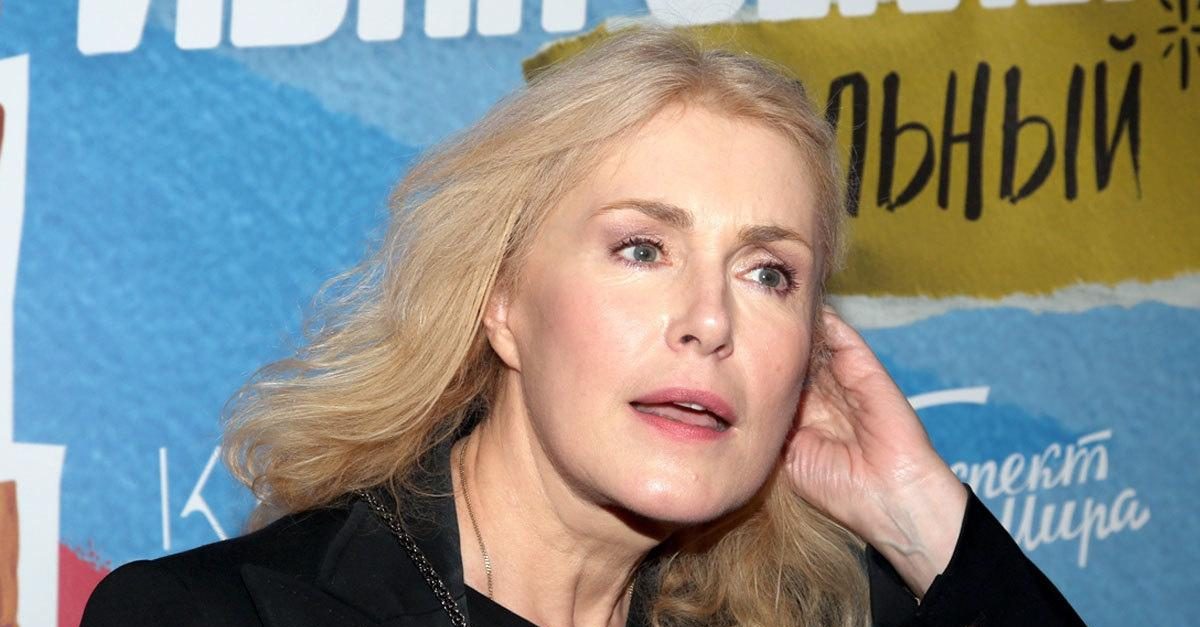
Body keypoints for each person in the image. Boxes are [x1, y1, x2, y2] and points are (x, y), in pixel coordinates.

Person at [81, 26, 1085, 627]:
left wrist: (917, 515)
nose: (710, 321)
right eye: (642, 249)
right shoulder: (213, 616)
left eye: (768, 273)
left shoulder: (830, 613)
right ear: (502, 301)